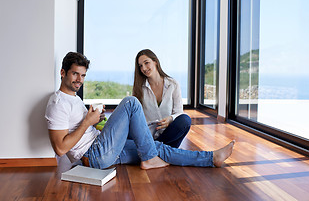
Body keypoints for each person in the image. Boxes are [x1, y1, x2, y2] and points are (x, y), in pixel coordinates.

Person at [45, 52, 235, 170]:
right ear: (63, 73)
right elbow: (61, 149)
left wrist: (94, 120)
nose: (79, 79)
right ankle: (149, 158)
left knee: (156, 148)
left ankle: (212, 158)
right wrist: (88, 122)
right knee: (131, 102)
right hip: (94, 156)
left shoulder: (74, 98)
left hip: (102, 146)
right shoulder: (57, 103)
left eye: (83, 75)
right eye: (75, 74)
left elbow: (83, 129)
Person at [133, 49, 191, 148]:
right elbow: (136, 117)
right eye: (141, 66)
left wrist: (171, 119)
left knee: (185, 120)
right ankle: (161, 152)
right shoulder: (139, 88)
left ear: (155, 62)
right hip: (148, 136)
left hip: (169, 135)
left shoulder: (173, 84)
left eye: (146, 63)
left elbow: (179, 112)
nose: (144, 68)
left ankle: (154, 151)